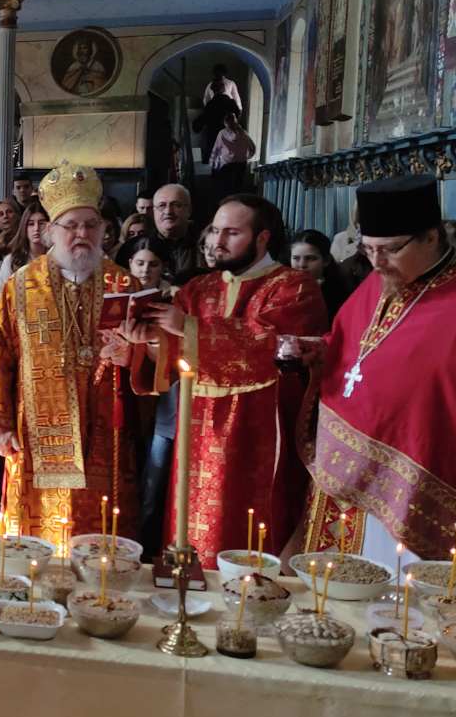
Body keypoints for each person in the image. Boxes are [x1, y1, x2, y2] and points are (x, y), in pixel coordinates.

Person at [293, 176, 456, 573]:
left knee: (400, 594)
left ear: (431, 237)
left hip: (422, 474)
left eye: (390, 249)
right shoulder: (379, 282)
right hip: (343, 477)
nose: (377, 262)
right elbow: (351, 345)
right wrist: (319, 351)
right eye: (368, 248)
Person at [123, 194, 327, 566]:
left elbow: (271, 347)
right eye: (215, 231)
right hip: (196, 430)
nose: (217, 242)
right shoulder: (198, 289)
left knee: (245, 530)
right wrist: (149, 339)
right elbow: (170, 359)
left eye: (231, 233)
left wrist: (188, 327)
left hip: (255, 435)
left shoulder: (294, 287)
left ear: (262, 237)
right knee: (190, 526)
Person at [0, 166, 142, 540]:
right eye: (70, 225)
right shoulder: (21, 286)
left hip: (104, 432)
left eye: (91, 225)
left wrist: (135, 358)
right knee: (34, 541)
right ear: (51, 230)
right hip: (34, 432)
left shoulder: (125, 284)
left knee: (97, 538)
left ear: (103, 228)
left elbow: (152, 360)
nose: (82, 234)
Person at [120, 182, 202, 282]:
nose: (168, 211)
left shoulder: (205, 243)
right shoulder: (135, 246)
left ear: (189, 210)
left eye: (176, 205)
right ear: (154, 211)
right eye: (162, 205)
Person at [0, 200, 49, 300]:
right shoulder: (12, 261)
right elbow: (1, 299)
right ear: (24, 227)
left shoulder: (58, 258)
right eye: (31, 224)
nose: (36, 228)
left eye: (41, 223)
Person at [289, 228, 353, 323]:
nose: (302, 265)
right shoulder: (281, 288)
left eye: (310, 258)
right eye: (296, 258)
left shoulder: (339, 293)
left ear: (326, 260)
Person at [195, 65, 242, 164]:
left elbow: (205, 103)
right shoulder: (230, 102)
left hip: (215, 131)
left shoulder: (211, 104)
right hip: (226, 130)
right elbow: (238, 108)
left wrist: (198, 125)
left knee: (215, 154)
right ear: (223, 89)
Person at [210, 109, 257, 194]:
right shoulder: (243, 133)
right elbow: (252, 148)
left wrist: (213, 164)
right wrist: (247, 157)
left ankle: (228, 199)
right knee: (238, 186)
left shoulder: (222, 133)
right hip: (241, 163)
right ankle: (236, 199)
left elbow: (216, 149)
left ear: (225, 123)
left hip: (227, 164)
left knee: (226, 187)